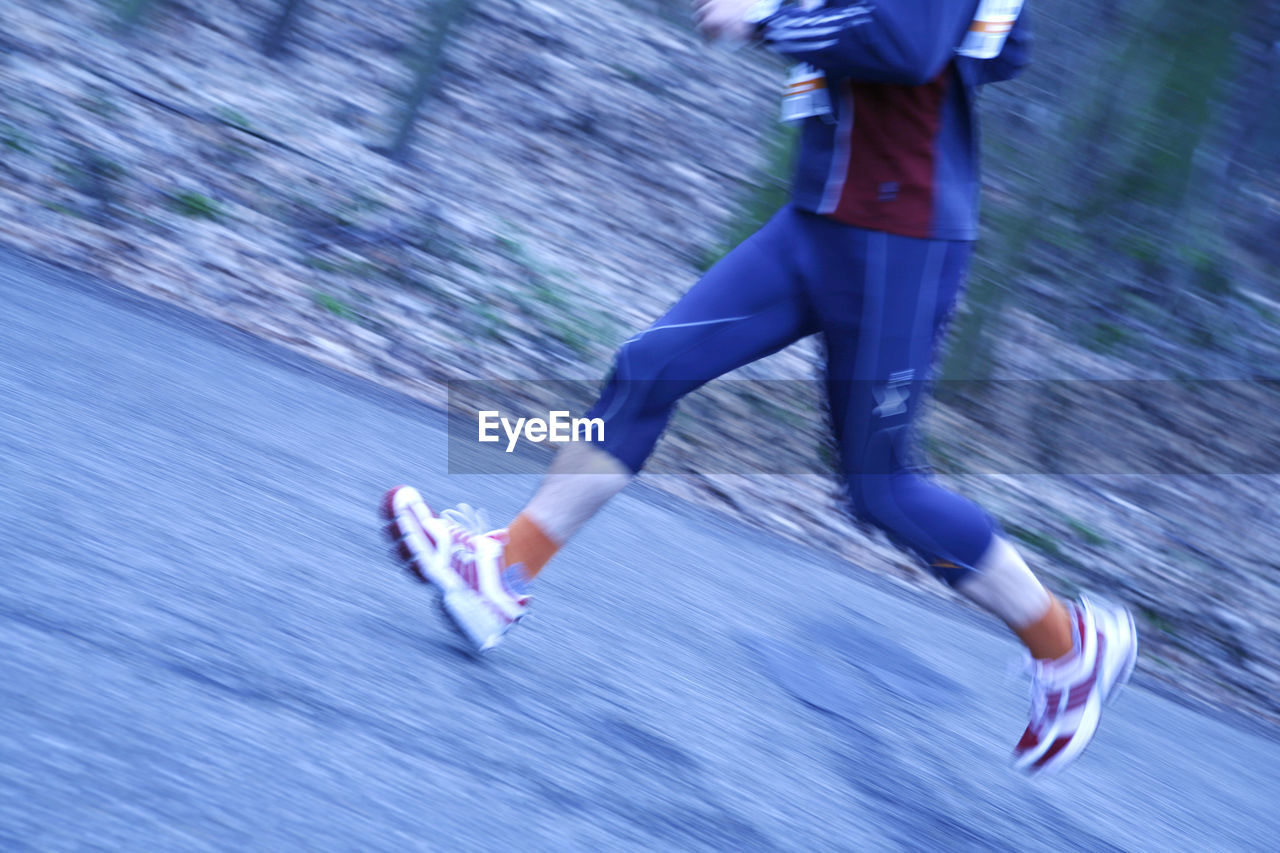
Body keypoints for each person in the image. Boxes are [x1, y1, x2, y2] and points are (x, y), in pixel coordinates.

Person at [382, 0, 1138, 776]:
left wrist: (771, 18)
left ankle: (1069, 645)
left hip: (900, 241)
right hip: (819, 219)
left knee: (880, 488)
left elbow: (909, 45)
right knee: (650, 367)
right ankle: (502, 573)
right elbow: (1005, 48)